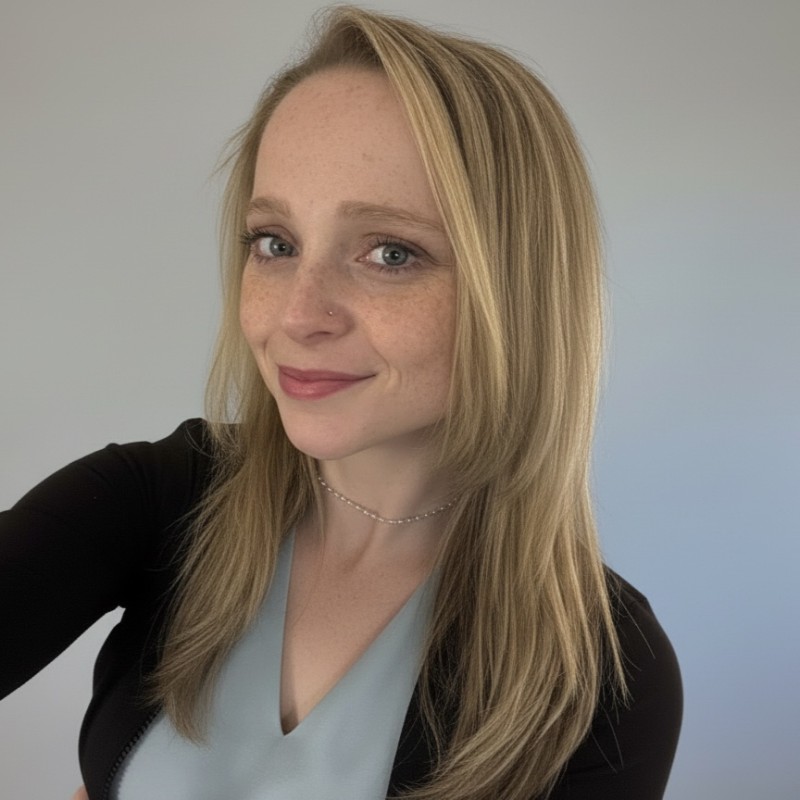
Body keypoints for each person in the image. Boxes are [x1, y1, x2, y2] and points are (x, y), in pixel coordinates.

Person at [1, 6, 681, 799]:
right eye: (276, 243)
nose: (298, 315)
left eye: (391, 253)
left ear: (519, 293)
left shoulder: (603, 675)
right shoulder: (152, 499)